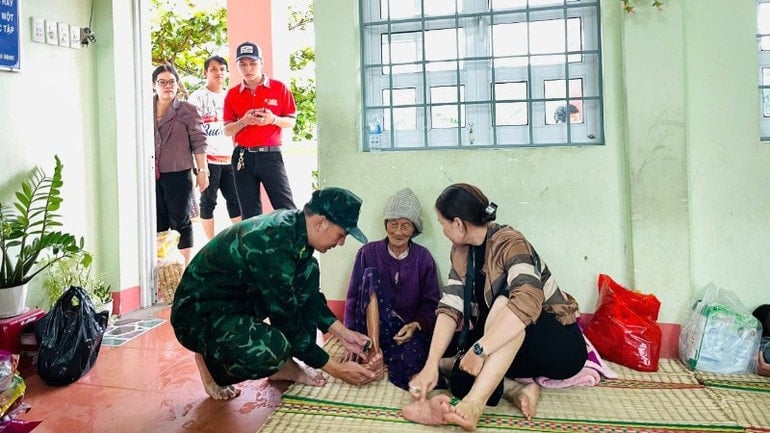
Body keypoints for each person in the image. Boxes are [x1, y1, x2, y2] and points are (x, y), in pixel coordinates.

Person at [402, 183, 587, 431]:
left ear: (458, 223)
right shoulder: (460, 251)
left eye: (442, 222)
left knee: (504, 303)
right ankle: (520, 389)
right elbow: (451, 306)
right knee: (461, 377)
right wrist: (431, 365)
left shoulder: (510, 242)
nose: (443, 229)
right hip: (513, 348)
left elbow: (525, 304)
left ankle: (473, 406)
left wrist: (480, 351)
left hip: (557, 347)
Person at [170, 187, 385, 401]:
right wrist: (337, 369)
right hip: (196, 317)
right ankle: (210, 360)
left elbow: (308, 298)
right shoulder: (273, 244)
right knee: (273, 349)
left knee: (308, 273)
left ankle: (282, 368)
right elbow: (287, 321)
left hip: (233, 303)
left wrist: (344, 334)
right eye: (341, 234)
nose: (341, 243)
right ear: (320, 222)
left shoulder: (297, 233)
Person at [342, 187, 441, 390]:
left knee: (414, 365)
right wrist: (350, 338)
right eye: (393, 224)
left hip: (403, 333)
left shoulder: (423, 258)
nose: (398, 232)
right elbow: (353, 298)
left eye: (405, 226)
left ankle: (386, 359)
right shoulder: (367, 252)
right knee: (371, 274)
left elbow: (431, 304)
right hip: (369, 333)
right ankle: (375, 352)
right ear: (385, 224)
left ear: (414, 229)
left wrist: (415, 325)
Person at [223, 41, 297, 219]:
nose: (248, 68)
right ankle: (254, 246)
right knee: (249, 212)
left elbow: (291, 121)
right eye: (243, 64)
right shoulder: (233, 94)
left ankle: (295, 245)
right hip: (243, 156)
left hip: (270, 155)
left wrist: (273, 119)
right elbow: (227, 130)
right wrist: (244, 121)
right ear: (237, 66)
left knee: (286, 207)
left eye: (252, 63)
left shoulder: (279, 88)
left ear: (261, 63)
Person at [153, 63, 210, 265]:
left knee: (181, 223)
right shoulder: (143, 108)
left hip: (179, 173)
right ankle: (162, 269)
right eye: (162, 82)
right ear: (154, 85)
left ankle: (183, 269)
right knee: (156, 221)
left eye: (172, 82)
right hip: (151, 175)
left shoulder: (188, 110)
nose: (167, 86)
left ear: (177, 85)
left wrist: (203, 171)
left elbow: (200, 142)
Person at [189, 55, 243, 239]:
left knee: (236, 201)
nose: (218, 72)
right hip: (208, 160)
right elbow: (193, 132)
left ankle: (241, 240)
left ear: (227, 73)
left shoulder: (233, 96)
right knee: (208, 202)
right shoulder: (197, 97)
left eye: (221, 69)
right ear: (205, 73)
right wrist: (199, 166)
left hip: (230, 159)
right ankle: (210, 244)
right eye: (213, 69)